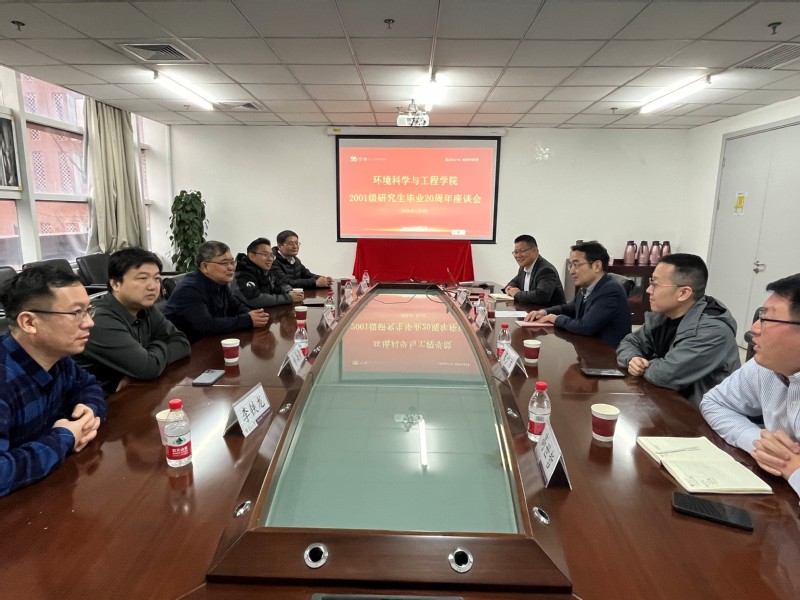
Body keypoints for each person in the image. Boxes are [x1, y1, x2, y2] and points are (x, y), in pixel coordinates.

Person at [0, 266, 106, 496]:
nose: (89, 322)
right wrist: (65, 438)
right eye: (76, 313)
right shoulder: (4, 379)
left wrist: (88, 410)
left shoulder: (57, 357)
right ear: (29, 322)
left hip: (49, 493)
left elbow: (89, 385)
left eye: (88, 310)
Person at [701, 273, 800, 498]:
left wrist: (793, 468)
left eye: (767, 319)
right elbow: (715, 402)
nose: (754, 328)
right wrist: (759, 441)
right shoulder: (766, 366)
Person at [616, 254, 740, 407]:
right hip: (669, 401)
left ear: (683, 293)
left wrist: (644, 365)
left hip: (704, 414)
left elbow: (664, 375)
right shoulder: (664, 315)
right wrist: (633, 358)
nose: (648, 290)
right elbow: (630, 341)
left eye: (655, 284)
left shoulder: (713, 331)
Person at [75, 248, 191, 395]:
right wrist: (156, 349)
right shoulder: (98, 319)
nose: (153, 286)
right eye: (142, 278)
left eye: (156, 278)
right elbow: (148, 368)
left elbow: (182, 342)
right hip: (99, 402)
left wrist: (147, 357)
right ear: (115, 284)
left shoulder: (145, 308)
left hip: (135, 392)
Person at [524, 240, 631, 347]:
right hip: (587, 347)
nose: (572, 271)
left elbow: (585, 327)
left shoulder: (610, 290)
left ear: (597, 266)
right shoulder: (587, 287)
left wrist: (556, 319)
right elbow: (569, 308)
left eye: (576, 265)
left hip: (606, 353)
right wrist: (545, 312)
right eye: (570, 265)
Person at [164, 241, 269, 344]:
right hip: (188, 348)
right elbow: (207, 325)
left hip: (210, 342)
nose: (231, 267)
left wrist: (254, 315)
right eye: (224, 263)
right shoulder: (189, 289)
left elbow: (236, 306)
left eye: (232, 262)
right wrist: (247, 320)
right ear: (205, 267)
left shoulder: (219, 282)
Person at [233, 237, 304, 308]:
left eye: (271, 255)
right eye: (265, 255)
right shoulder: (242, 273)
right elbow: (255, 299)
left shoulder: (264, 271)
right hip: (246, 314)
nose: (270, 259)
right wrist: (289, 298)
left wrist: (289, 291)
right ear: (251, 256)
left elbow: (279, 284)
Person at [503, 234, 565, 306]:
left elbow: (541, 296)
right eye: (516, 252)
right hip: (529, 310)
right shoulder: (523, 268)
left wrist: (517, 294)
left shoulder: (546, 270)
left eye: (522, 251)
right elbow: (514, 282)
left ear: (535, 250)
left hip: (549, 312)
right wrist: (509, 288)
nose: (518, 256)